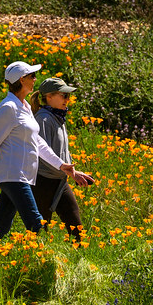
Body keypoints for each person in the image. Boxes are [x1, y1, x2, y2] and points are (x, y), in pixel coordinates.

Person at [0, 61, 84, 240]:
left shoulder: (25, 107)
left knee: (0, 226)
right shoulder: (8, 108)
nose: (35, 79)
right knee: (35, 223)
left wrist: (61, 165)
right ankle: (44, 263)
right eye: (32, 76)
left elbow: (38, 142)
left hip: (21, 175)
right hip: (13, 175)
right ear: (22, 80)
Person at [30, 77, 95, 242]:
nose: (68, 99)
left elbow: (60, 152)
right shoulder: (43, 119)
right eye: (63, 95)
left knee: (76, 226)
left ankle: (80, 262)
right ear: (49, 97)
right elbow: (42, 154)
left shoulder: (57, 117)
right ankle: (37, 263)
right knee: (39, 231)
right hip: (43, 182)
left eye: (68, 96)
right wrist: (69, 172)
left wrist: (73, 171)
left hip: (59, 181)